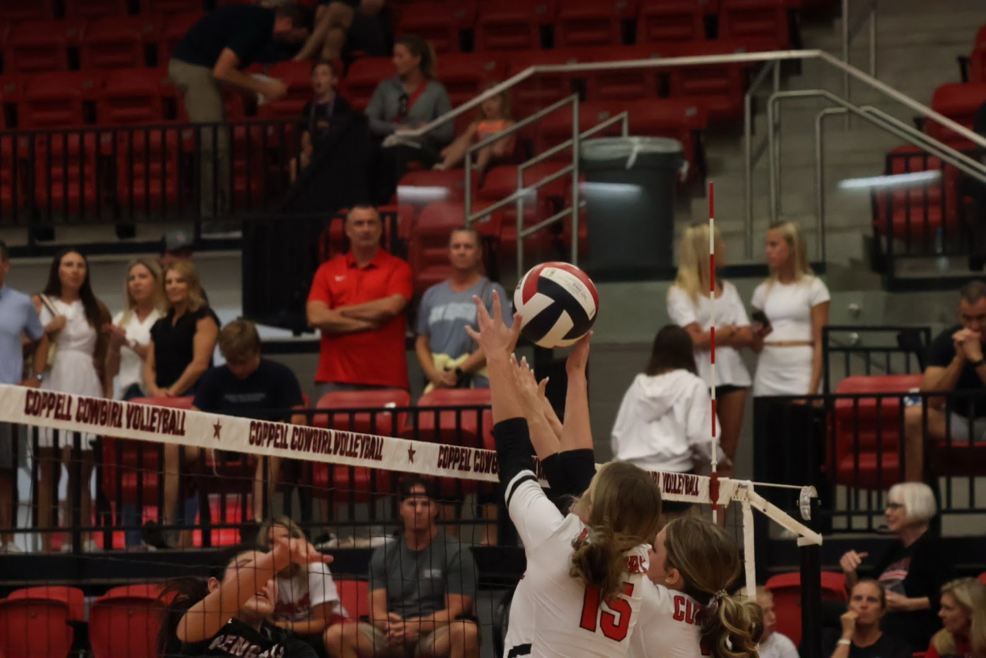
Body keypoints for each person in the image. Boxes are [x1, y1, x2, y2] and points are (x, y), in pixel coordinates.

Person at [507, 340, 761, 658]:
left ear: (672, 576)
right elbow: (580, 483)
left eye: (655, 548)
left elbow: (578, 484)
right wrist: (543, 410)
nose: (644, 550)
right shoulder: (706, 610)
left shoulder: (647, 596)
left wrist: (545, 403)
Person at [466, 288, 664, 657]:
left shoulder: (553, 538)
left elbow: (515, 453)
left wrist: (496, 356)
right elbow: (570, 473)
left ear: (594, 498)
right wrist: (572, 377)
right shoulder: (637, 556)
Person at [168, 3, 313, 217]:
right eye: (295, 36)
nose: (292, 42)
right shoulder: (256, 23)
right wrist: (264, 87)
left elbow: (224, 70)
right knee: (214, 142)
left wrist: (252, 88)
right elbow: (221, 71)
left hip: (205, 68)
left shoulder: (261, 26)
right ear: (286, 23)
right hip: (194, 69)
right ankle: (211, 215)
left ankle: (220, 210)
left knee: (219, 141)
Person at [327, 476, 479, 658]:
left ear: (436, 509)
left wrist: (416, 625)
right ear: (400, 508)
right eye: (412, 504)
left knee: (466, 632)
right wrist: (389, 625)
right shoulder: (383, 554)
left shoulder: (456, 552)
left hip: (434, 633)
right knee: (335, 636)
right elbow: (376, 612)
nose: (419, 510)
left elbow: (455, 612)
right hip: (393, 633)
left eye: (425, 504)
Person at [33, 249, 112, 553]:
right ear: (58, 269)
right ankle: (43, 544)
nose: (75, 270)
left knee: (80, 471)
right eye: (69, 264)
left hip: (86, 384)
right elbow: (22, 342)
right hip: (52, 382)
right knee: (47, 472)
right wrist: (46, 330)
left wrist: (107, 395)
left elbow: (103, 357)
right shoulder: (39, 302)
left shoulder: (97, 307)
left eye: (81, 265)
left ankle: (78, 537)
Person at [192, 319, 305, 523]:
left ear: (256, 350)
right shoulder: (213, 378)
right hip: (221, 445)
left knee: (268, 450)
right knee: (172, 445)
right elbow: (193, 418)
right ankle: (167, 524)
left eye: (242, 362)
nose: (236, 369)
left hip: (264, 444)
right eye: (230, 362)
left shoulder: (280, 374)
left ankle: (256, 520)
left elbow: (298, 419)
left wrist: (274, 432)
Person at [144, 260, 220, 549]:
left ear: (191, 285)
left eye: (180, 281)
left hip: (196, 403)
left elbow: (200, 363)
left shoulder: (203, 317)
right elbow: (148, 368)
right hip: (163, 404)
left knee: (177, 451)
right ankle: (164, 528)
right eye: (169, 282)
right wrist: (155, 391)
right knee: (166, 449)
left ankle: (175, 526)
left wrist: (173, 393)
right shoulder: (161, 323)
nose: (173, 286)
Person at [610, 325, 723, 517]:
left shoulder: (637, 386)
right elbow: (702, 439)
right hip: (676, 484)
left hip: (631, 483)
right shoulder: (694, 385)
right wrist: (719, 459)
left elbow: (617, 438)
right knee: (679, 544)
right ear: (688, 352)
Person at [667, 222, 752, 474]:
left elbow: (746, 334)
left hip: (733, 377)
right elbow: (694, 339)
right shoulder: (679, 292)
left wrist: (711, 335)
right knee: (694, 452)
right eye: (719, 243)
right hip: (698, 378)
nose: (725, 247)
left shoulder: (729, 290)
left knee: (727, 453)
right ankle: (691, 512)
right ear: (706, 250)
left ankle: (721, 514)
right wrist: (727, 331)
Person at [306, 204, 413, 398]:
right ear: (347, 229)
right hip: (334, 378)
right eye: (359, 224)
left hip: (387, 379)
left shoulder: (399, 268)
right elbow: (316, 317)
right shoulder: (327, 270)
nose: (365, 229)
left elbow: (390, 307)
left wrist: (339, 312)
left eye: (371, 223)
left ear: (381, 228)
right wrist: (368, 322)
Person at [159, 539, 329, 658]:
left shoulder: (291, 648)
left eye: (271, 575)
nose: (263, 580)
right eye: (248, 568)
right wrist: (277, 558)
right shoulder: (200, 625)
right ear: (215, 587)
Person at [839, 482, 951, 651]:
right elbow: (867, 588)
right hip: (882, 621)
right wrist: (849, 572)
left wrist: (909, 604)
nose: (887, 512)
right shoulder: (896, 549)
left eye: (894, 507)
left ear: (917, 507)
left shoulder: (931, 547)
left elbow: (953, 594)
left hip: (912, 627)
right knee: (821, 612)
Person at [903, 280, 986, 482]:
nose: (973, 326)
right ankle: (911, 502)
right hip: (958, 419)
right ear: (959, 314)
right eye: (967, 318)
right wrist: (958, 360)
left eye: (982, 318)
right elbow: (929, 401)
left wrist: (977, 359)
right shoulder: (946, 341)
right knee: (913, 417)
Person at [415, 228, 511, 391]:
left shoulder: (492, 292)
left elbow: (501, 340)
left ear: (479, 252)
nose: (461, 251)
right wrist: (434, 375)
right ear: (448, 252)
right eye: (456, 246)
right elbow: (422, 341)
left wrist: (459, 370)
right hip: (439, 384)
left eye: (468, 246)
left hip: (480, 385)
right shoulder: (432, 294)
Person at [0, 240, 46, 553]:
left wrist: (36, 377)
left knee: (5, 473)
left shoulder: (20, 302)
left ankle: (8, 541)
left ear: (5, 265)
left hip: (7, 400)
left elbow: (41, 339)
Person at [366, 35, 453, 200]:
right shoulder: (386, 86)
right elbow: (368, 120)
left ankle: (385, 204)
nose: (394, 61)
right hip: (390, 142)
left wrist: (427, 130)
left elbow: (447, 131)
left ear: (416, 59)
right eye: (394, 56)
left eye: (400, 56)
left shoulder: (435, 90)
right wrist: (394, 128)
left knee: (394, 156)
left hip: (421, 147)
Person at [750, 219, 830, 398]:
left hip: (800, 371)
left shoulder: (814, 287)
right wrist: (757, 335)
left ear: (792, 247)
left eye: (773, 245)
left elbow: (820, 343)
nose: (767, 251)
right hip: (768, 371)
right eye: (766, 245)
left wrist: (812, 390)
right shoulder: (761, 291)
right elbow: (755, 346)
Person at [258, 517, 352, 658]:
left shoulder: (316, 567)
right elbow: (266, 622)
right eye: (271, 541)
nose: (279, 545)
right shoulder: (262, 574)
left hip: (325, 631)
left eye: (285, 538)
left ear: (297, 540)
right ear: (264, 547)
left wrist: (280, 626)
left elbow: (321, 622)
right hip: (286, 636)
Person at [105, 258, 165, 402]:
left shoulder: (165, 317)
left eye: (143, 277)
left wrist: (127, 342)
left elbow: (161, 359)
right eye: (131, 278)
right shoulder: (121, 319)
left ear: (157, 281)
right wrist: (114, 345)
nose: (136, 283)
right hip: (125, 394)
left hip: (155, 394)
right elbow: (111, 371)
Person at [290, 59, 357, 183]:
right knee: (296, 163)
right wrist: (306, 142)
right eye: (315, 75)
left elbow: (345, 132)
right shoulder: (309, 106)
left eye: (324, 74)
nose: (318, 79)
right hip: (313, 150)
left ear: (334, 80)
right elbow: (304, 131)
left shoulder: (341, 104)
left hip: (334, 151)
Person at [433, 82, 515, 176]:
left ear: (503, 102)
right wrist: (450, 149)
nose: (488, 104)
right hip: (480, 151)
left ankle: (478, 171)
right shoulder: (477, 124)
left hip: (498, 153)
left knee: (486, 144)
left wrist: (493, 147)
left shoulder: (507, 124)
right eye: (484, 100)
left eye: (493, 99)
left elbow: (499, 148)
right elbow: (464, 139)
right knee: (466, 143)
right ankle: (444, 166)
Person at [824, 580, 912, 658]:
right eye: (857, 599)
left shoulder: (897, 648)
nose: (863, 605)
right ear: (848, 607)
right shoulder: (829, 639)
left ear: (882, 611)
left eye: (871, 600)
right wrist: (846, 636)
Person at [294, 0, 384, 62]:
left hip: (371, 30)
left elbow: (372, 8)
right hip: (344, 35)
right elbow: (320, 12)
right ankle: (325, 77)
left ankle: (300, 58)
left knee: (336, 9)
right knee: (334, 35)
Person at [926, 578, 986, 658]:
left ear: (970, 612)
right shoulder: (940, 643)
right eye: (941, 607)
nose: (940, 614)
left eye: (948, 608)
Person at [743, 586, 799, 658]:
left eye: (772, 609)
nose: (773, 617)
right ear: (746, 616)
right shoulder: (728, 644)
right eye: (765, 611)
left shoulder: (783, 645)